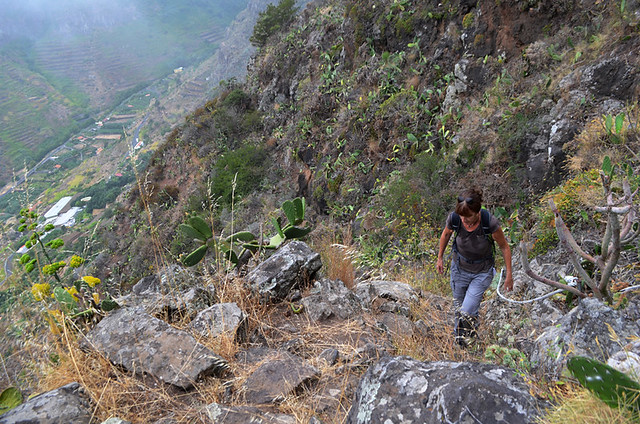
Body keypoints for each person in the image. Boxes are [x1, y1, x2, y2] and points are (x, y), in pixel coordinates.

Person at [436, 187, 513, 347]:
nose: (463, 220)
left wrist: (509, 276)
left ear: (477, 212)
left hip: (482, 272)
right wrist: (440, 257)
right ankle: (461, 342)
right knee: (459, 308)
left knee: (467, 310)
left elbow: (504, 247)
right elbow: (446, 234)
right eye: (462, 217)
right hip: (459, 268)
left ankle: (469, 340)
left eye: (467, 217)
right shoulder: (455, 218)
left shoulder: (489, 222)